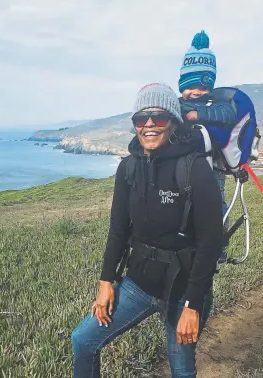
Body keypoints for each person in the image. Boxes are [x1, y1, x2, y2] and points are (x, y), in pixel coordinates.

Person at [71, 83, 223, 377]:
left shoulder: (196, 168)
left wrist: (192, 305)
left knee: (181, 368)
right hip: (138, 283)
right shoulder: (128, 167)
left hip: (184, 290)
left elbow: (210, 242)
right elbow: (117, 229)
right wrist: (106, 282)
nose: (150, 125)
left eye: (159, 117)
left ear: (173, 121)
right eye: (141, 119)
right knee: (83, 340)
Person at [178, 30, 237, 263]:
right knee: (185, 205)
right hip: (185, 167)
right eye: (190, 86)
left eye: (202, 88)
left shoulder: (219, 104)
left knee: (216, 205)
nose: (196, 92)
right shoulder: (176, 104)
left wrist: (197, 114)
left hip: (213, 168)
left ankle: (219, 246)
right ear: (181, 83)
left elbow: (228, 114)